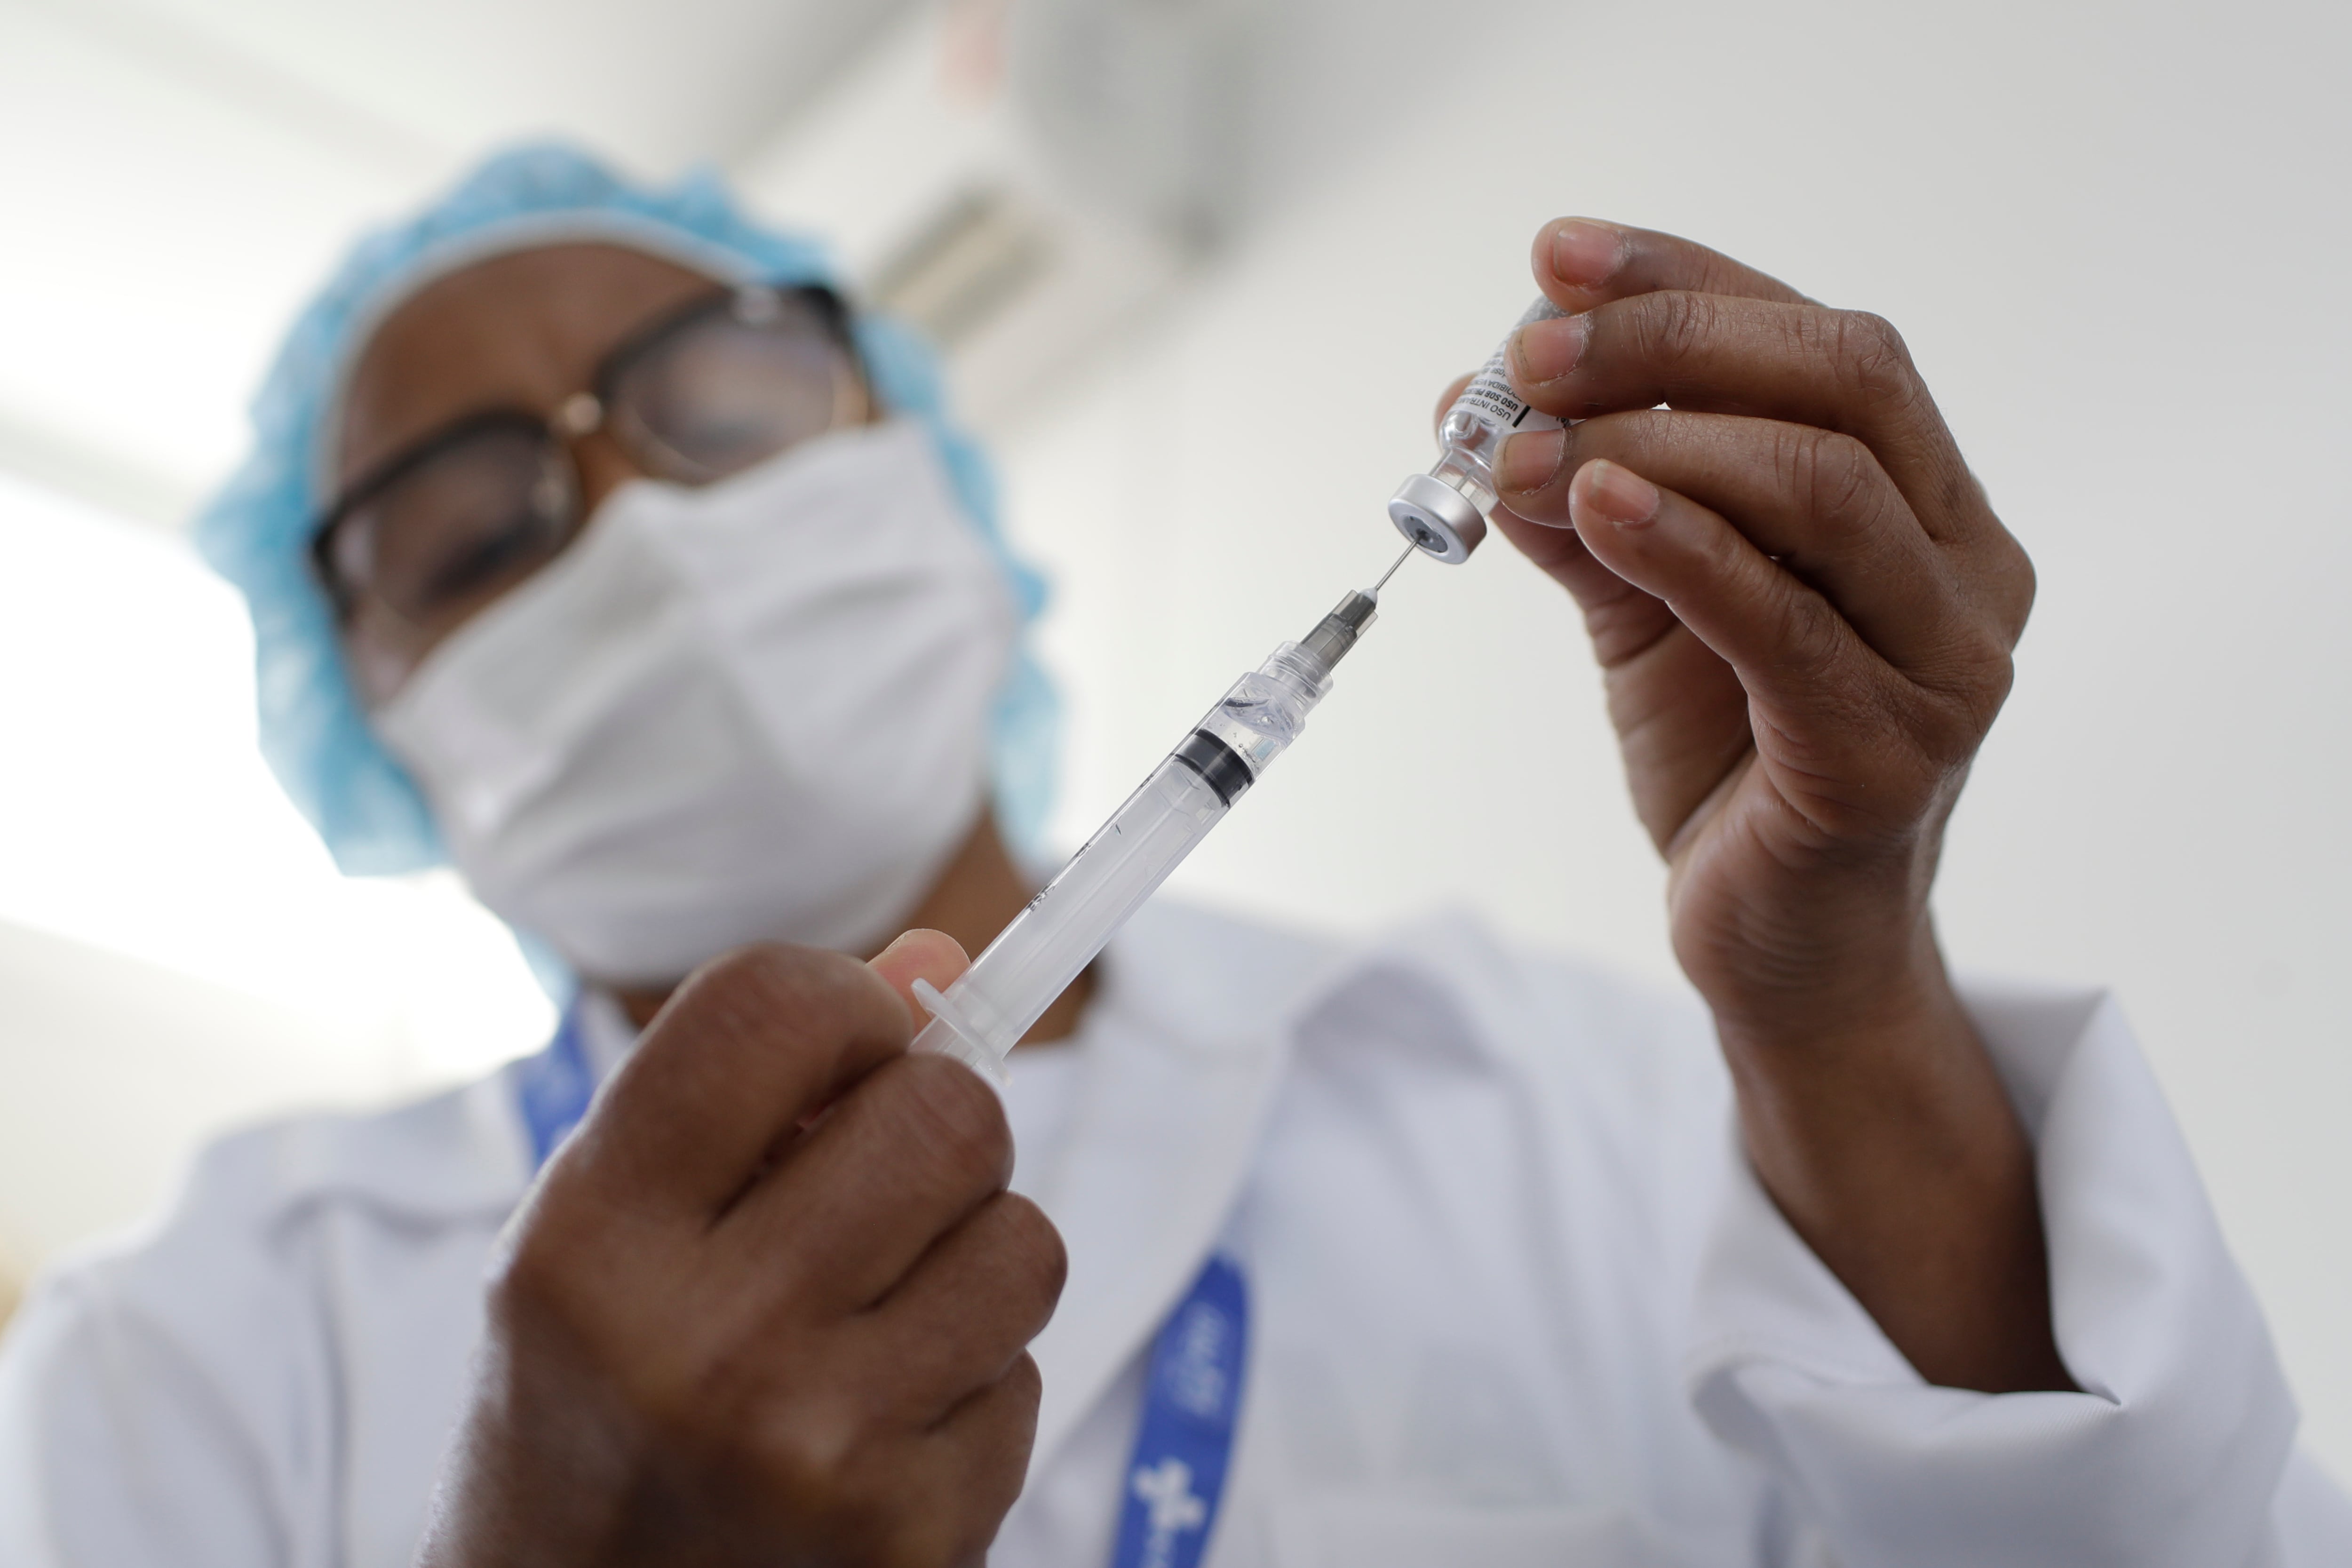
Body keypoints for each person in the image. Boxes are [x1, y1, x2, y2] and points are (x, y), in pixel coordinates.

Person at [0, 143, 2344, 1568]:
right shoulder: (192, 1347)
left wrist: (1836, 999)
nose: (639, 529)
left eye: (714, 398)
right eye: (471, 530)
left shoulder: (1567, 1108)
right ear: (371, 737)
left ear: (921, 465)